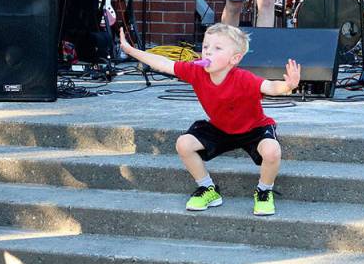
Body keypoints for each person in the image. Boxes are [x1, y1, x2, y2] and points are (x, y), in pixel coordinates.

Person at [118, 23, 300, 216]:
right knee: (184, 143)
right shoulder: (195, 72)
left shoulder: (243, 78)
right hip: (220, 128)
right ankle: (208, 189)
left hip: (253, 129)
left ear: (234, 59)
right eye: (205, 47)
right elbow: (163, 64)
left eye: (217, 48)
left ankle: (264, 191)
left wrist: (288, 85)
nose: (208, 53)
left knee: (272, 151)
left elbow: (270, 87)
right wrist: (131, 50)